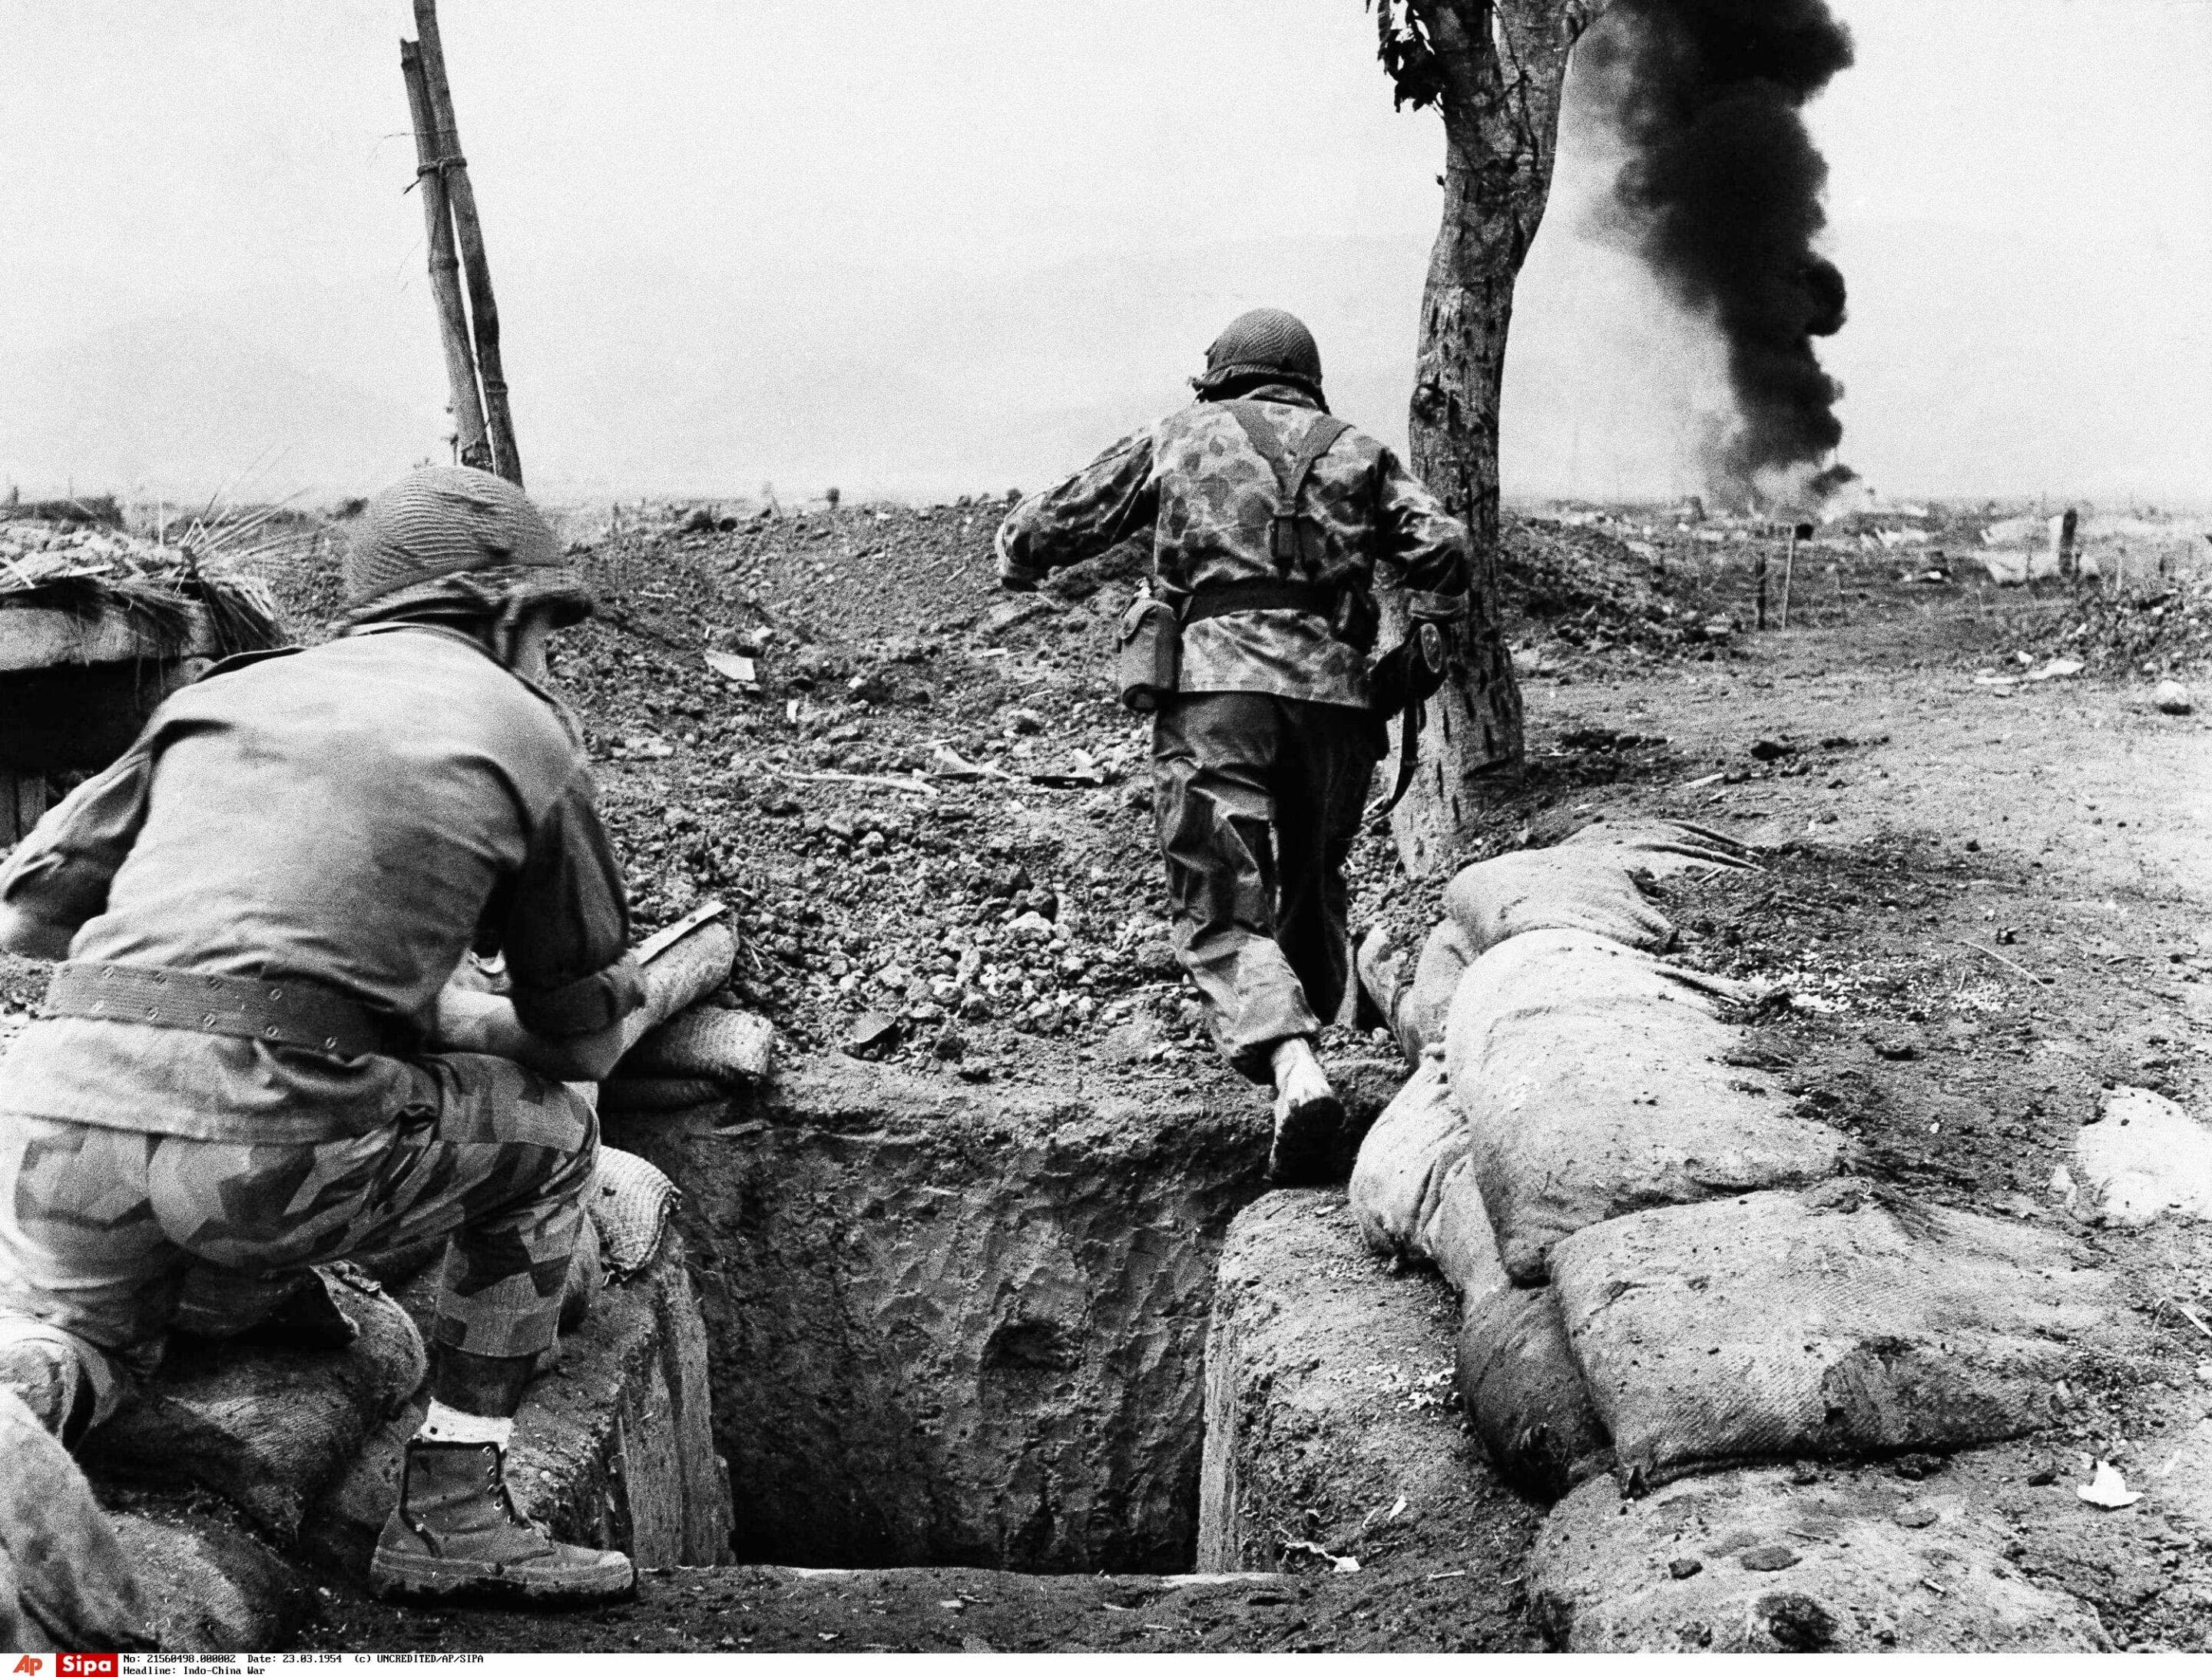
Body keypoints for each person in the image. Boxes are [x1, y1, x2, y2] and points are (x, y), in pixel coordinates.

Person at [0, 466, 646, 1608]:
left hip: (55, 1117)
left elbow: (27, 913)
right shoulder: (526, 731)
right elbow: (583, 1045)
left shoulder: (230, 696)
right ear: (498, 610)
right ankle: (454, 1513)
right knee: (551, 1137)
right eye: (549, 632)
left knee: (87, 1345)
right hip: (263, 1142)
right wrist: (446, 1014)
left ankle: (16, 1400)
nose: (552, 663)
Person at [995, 308, 1470, 1179]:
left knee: (1221, 895)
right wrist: (1429, 629)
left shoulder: (1180, 436)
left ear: (1221, 374)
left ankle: (1294, 1069)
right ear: (1305, 378)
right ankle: (1318, 1035)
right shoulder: (1358, 451)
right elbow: (1442, 544)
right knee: (1314, 876)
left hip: (1218, 695)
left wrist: (1015, 556)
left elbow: (1047, 527)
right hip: (1335, 702)